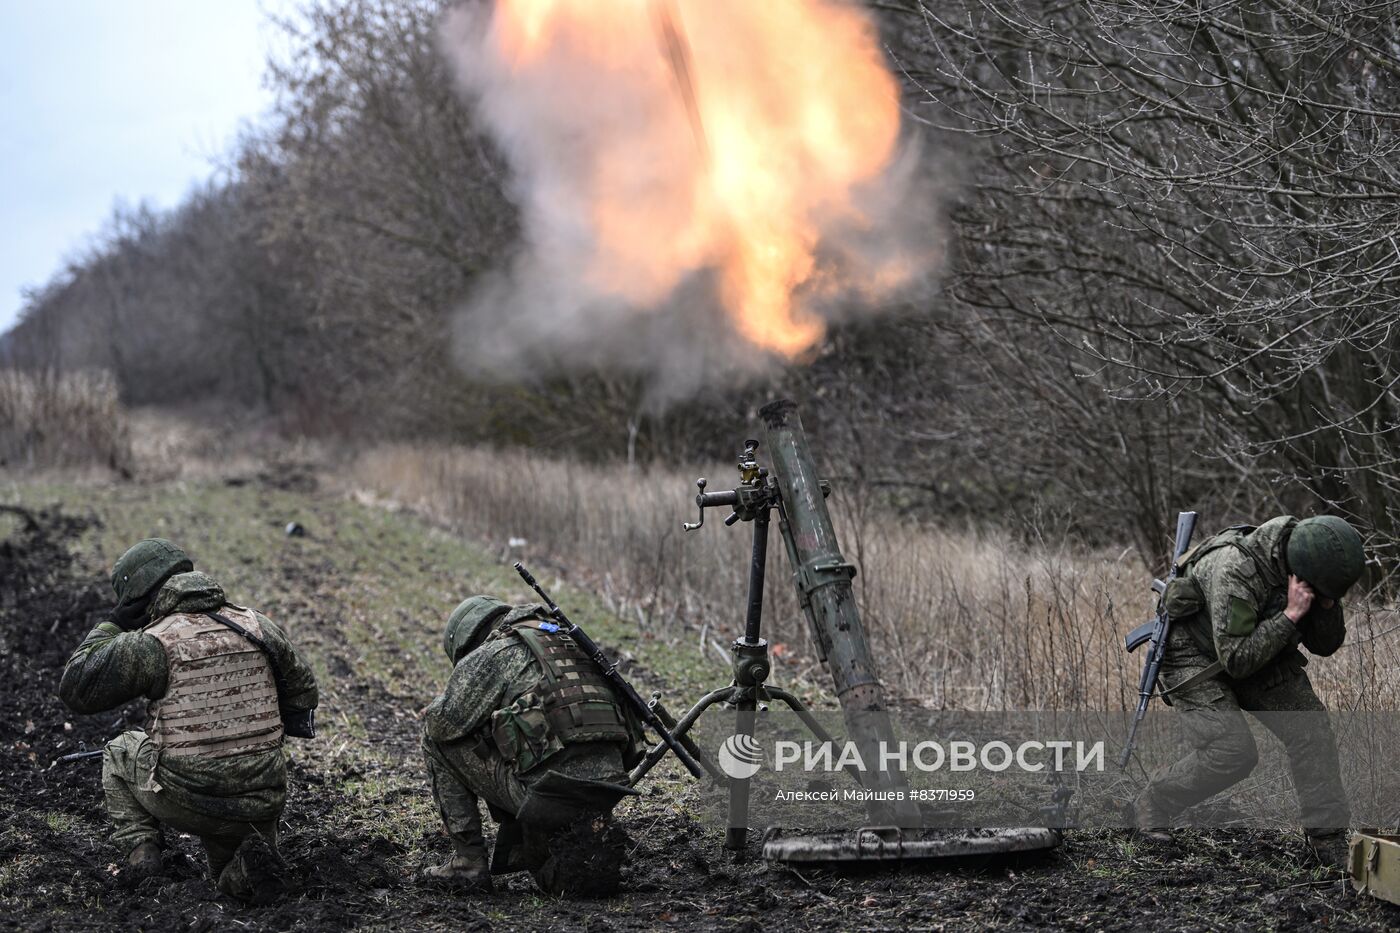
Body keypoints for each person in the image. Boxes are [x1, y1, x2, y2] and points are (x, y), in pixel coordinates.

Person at [59, 538, 319, 899]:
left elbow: (76, 687)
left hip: (191, 798)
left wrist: (114, 623)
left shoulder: (153, 642)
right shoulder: (256, 624)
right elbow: (305, 693)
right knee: (229, 878)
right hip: (261, 799)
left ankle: (143, 858)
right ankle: (242, 874)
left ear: (137, 599)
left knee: (119, 752)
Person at [1133, 515, 1364, 867]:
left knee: (1310, 726)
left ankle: (1326, 837)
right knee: (1233, 752)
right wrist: (1290, 615)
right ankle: (1154, 802)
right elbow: (1238, 660)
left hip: (1256, 641)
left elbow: (1325, 645)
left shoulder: (1310, 567)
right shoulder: (1237, 570)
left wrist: (1326, 605)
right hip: (1191, 651)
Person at [420, 595, 645, 896]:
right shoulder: (566, 639)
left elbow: (442, 723)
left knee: (435, 739)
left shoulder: (492, 652)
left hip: (551, 791)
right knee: (553, 874)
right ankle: (573, 844)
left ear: (466, 642)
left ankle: (467, 863)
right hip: (611, 784)